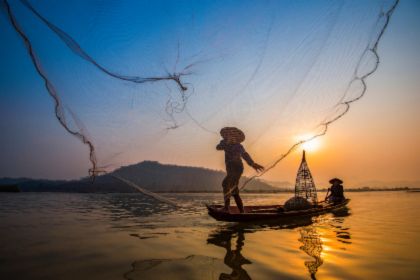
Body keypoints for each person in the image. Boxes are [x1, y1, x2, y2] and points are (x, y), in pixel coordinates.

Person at [217, 127, 264, 213]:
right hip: (230, 168)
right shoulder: (224, 143)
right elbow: (218, 147)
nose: (230, 136)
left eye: (232, 135)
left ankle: (226, 208)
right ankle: (241, 211)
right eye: (228, 134)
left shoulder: (238, 146)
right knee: (234, 190)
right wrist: (226, 143)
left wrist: (252, 164)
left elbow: (245, 155)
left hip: (237, 167)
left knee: (226, 184)